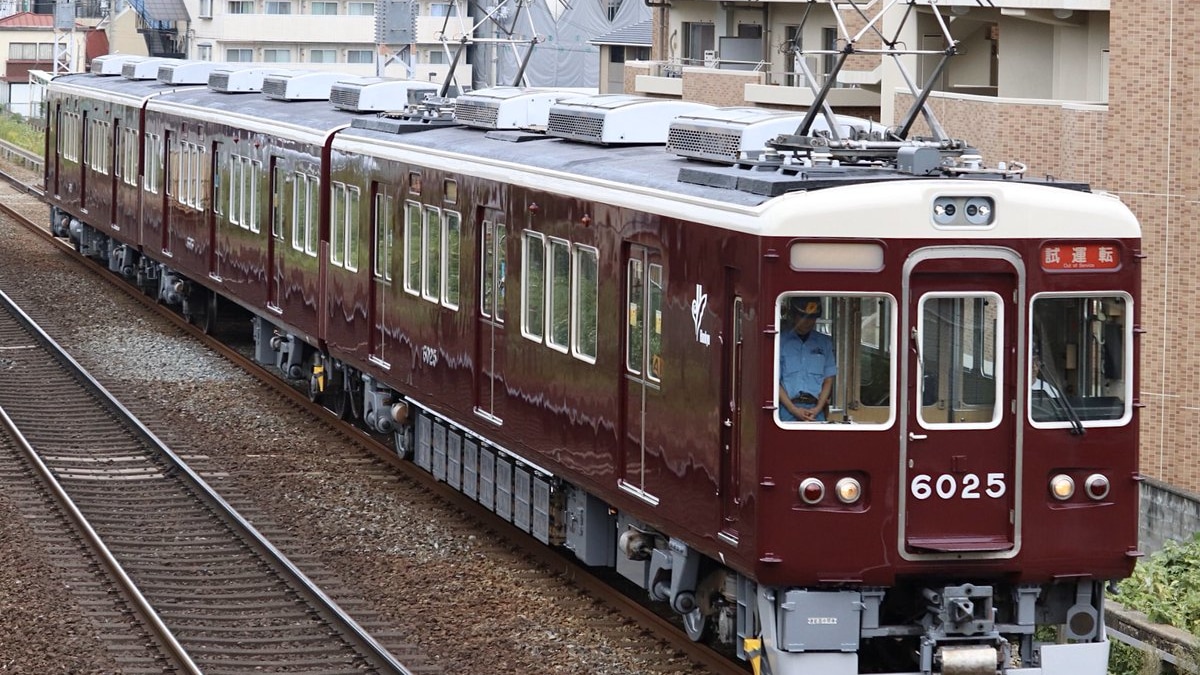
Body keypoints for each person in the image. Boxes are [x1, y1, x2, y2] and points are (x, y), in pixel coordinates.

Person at [779, 296, 837, 422]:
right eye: (803, 316)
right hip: (786, 409)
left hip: (815, 410)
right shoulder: (780, 341)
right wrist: (793, 409)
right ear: (794, 316)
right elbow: (774, 381)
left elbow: (828, 379)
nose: (808, 321)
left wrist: (817, 408)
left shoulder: (824, 343)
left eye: (812, 317)